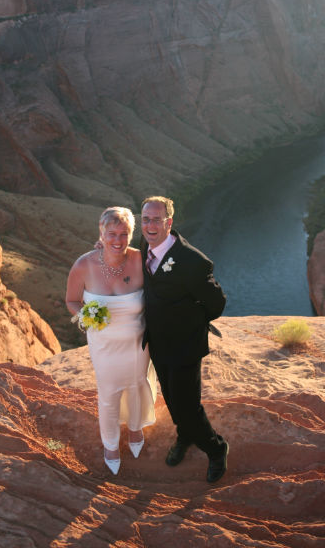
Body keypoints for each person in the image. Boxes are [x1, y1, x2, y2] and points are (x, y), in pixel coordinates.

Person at [140, 195, 228, 483]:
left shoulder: (192, 261)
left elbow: (217, 303)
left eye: (157, 219)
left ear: (169, 222)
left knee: (188, 406)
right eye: (146, 219)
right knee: (172, 398)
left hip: (185, 346)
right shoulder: (145, 246)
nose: (150, 225)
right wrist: (101, 248)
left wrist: (192, 323)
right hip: (158, 343)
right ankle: (185, 436)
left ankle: (216, 449)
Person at [66, 207, 156, 475]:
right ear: (101, 233)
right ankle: (111, 445)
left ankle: (136, 429)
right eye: (112, 234)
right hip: (104, 345)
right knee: (109, 393)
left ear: (131, 234)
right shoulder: (84, 265)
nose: (118, 240)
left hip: (138, 342)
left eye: (124, 234)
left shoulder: (141, 260)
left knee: (137, 384)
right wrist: (85, 316)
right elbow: (72, 300)